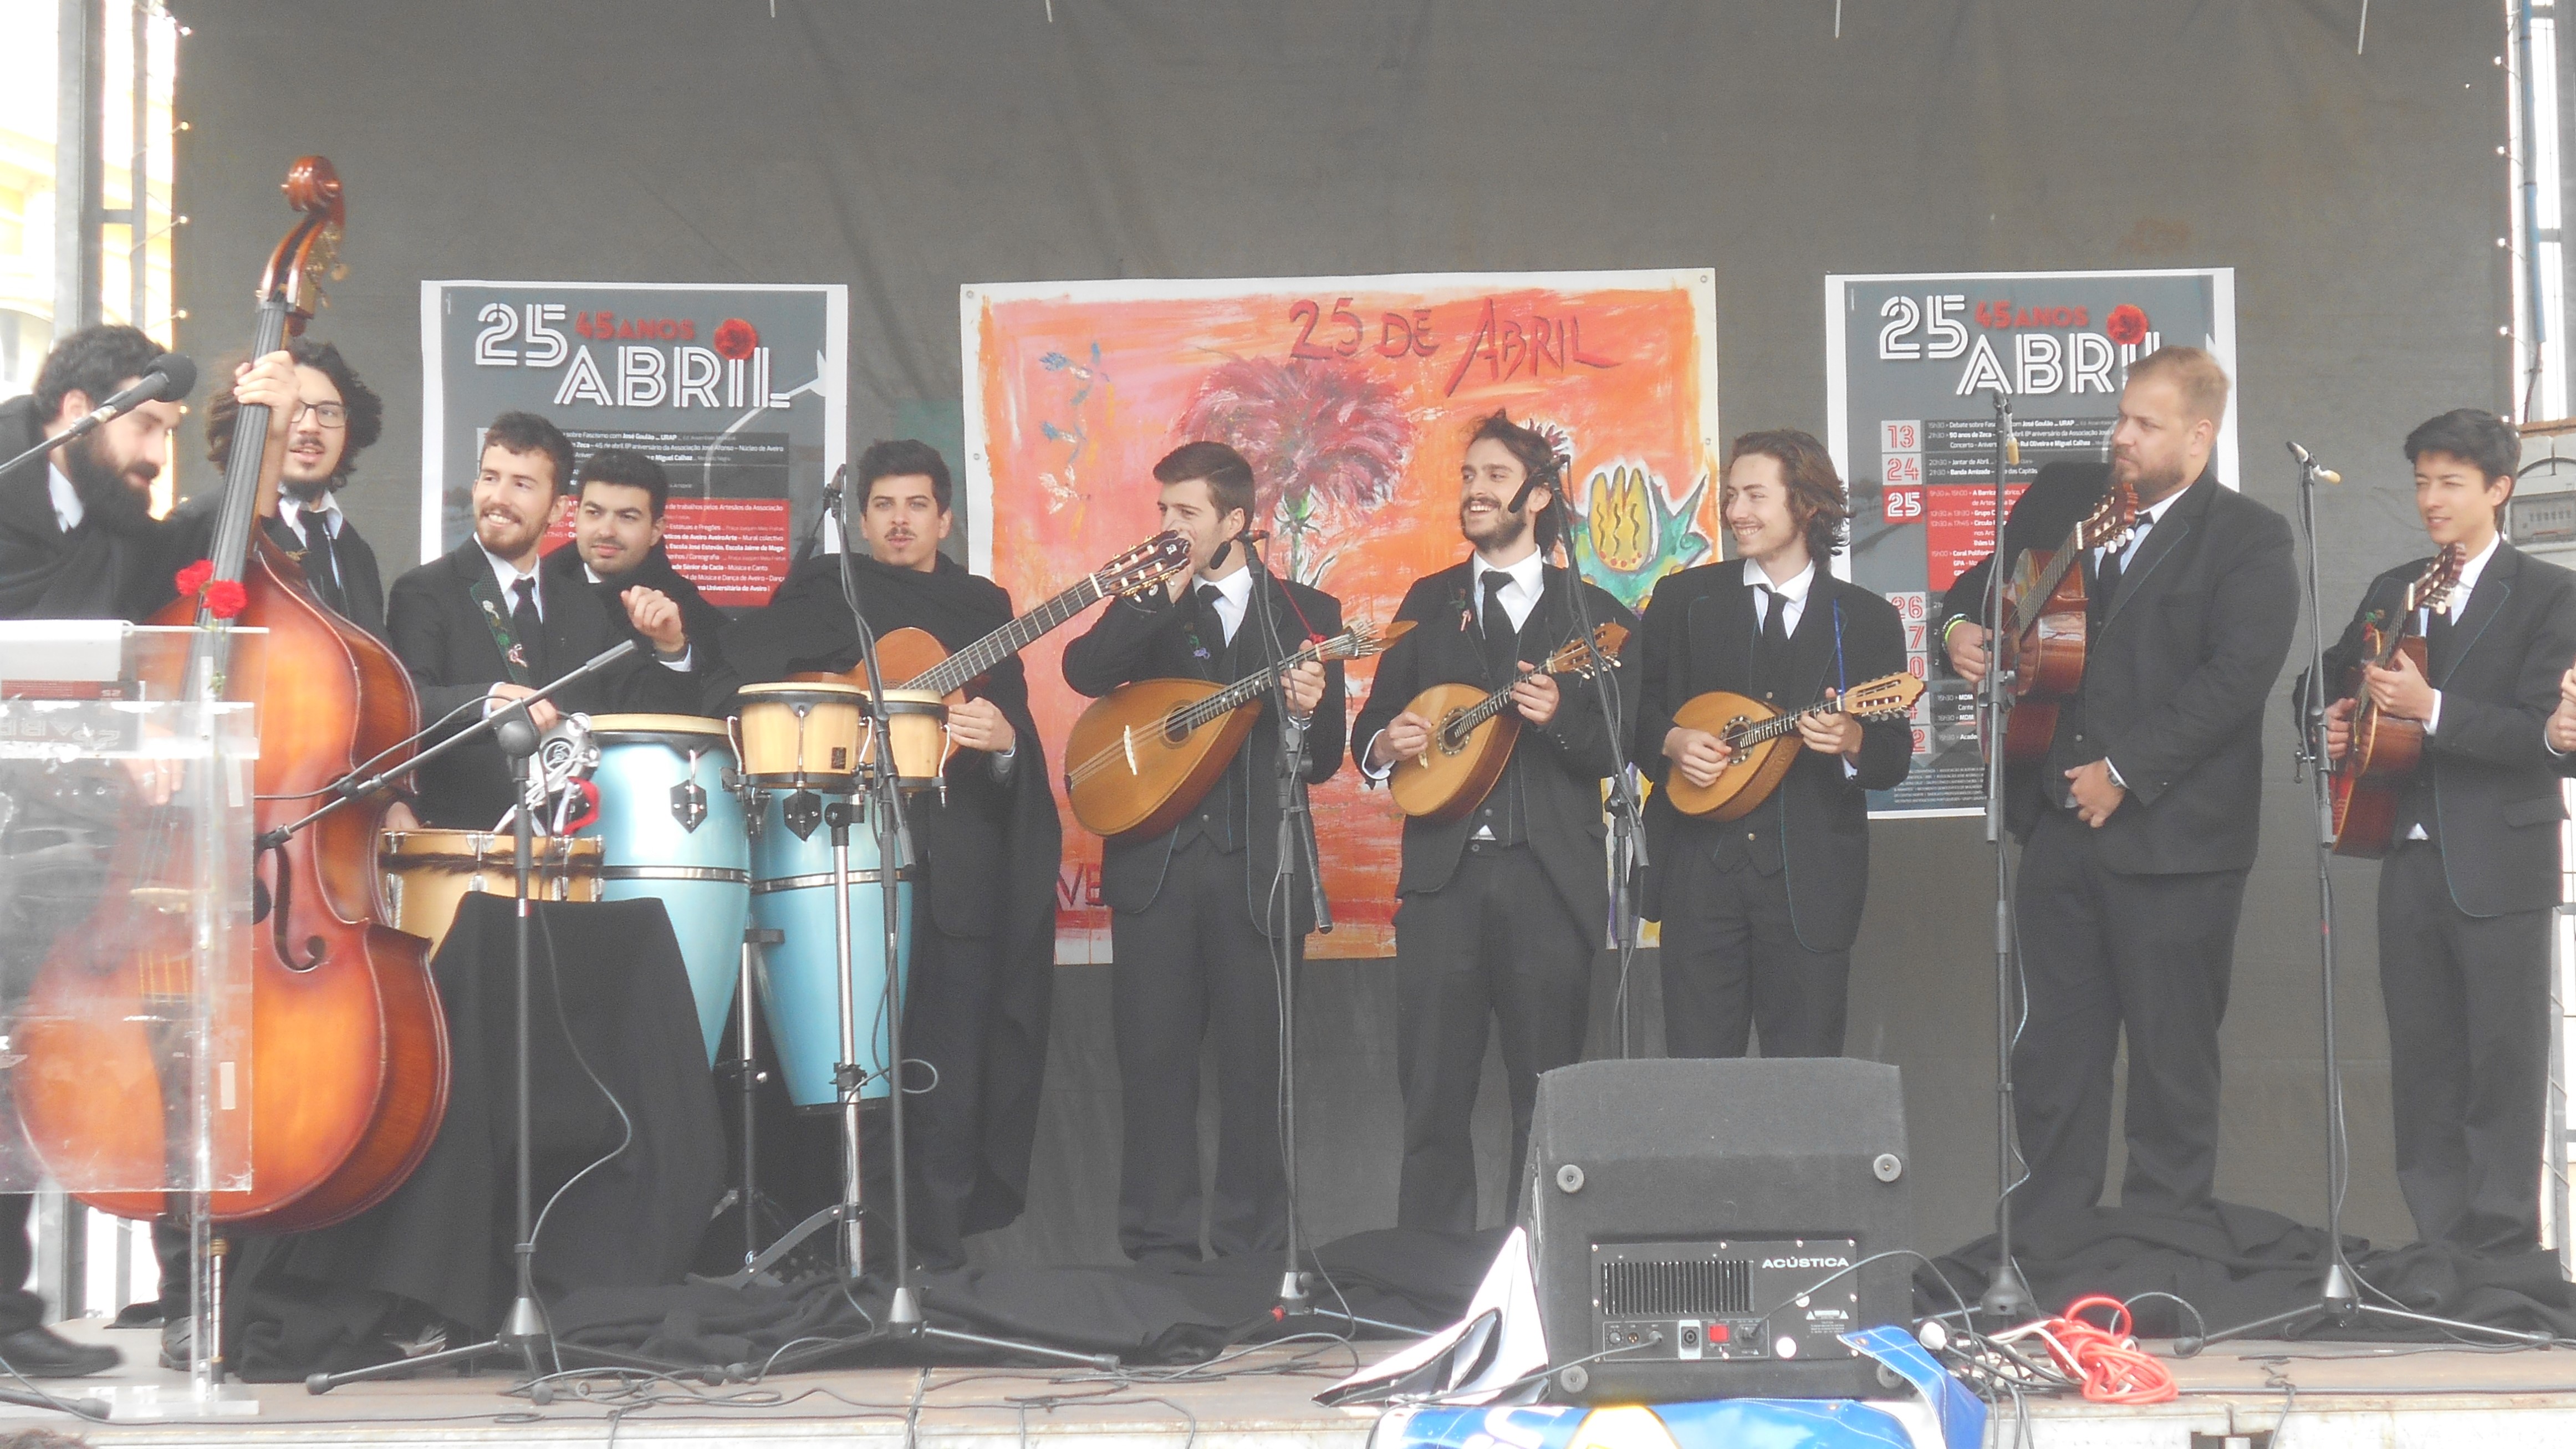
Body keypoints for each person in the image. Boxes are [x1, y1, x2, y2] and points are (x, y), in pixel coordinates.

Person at [1941, 346, 2296, 1236]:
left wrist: (2124, 772)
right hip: (2055, 827)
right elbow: (1975, 586)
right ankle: (2048, 1235)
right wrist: (1957, 630)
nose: (2121, 436)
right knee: (2053, 1052)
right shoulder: (2068, 494)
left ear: (2198, 436)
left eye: (2144, 423)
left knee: (2171, 1059)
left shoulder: (2246, 537)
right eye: (2120, 417)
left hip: (2177, 843)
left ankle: (2163, 1238)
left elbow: (2235, 677)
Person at [0, 324, 299, 1375]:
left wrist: (263, 432)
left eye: (173, 431)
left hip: (63, 847)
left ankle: (11, 1317)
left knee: (26, 1063)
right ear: (78, 413)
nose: (157, 453)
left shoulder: (115, 525)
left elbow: (202, 544)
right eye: (148, 428)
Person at [717, 439, 1061, 1267]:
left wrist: (1003, 743)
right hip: (835, 867)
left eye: (916, 505)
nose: (900, 520)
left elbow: (1015, 736)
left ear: (945, 518)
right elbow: (743, 685)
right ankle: (843, 1249)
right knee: (845, 1063)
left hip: (952, 874)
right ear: (861, 520)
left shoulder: (981, 606)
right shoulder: (819, 592)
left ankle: (934, 1258)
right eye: (883, 506)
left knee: (948, 1067)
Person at [1350, 411, 1638, 1231]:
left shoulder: (1595, 615)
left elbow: (1615, 747)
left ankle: (1535, 1267)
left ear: (1538, 496)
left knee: (1544, 1098)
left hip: (1550, 881)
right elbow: (1371, 727)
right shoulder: (1428, 601)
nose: (1475, 490)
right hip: (1443, 882)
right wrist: (1386, 743)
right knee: (1432, 1092)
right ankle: (1427, 1268)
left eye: (1495, 477)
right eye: (1469, 476)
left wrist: (1560, 717)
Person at [1060, 441, 1345, 1266]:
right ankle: (1159, 1251)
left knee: (1257, 1073)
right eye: (1163, 511)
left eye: (1186, 513)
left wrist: (1306, 708)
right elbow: (1085, 671)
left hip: (1260, 870)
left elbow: (1324, 756)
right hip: (1155, 872)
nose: (1169, 525)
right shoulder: (1150, 600)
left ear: (1235, 520)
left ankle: (1254, 1254)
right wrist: (1156, 599)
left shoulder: (1306, 614)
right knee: (1154, 1068)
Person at [2321, 409, 2576, 1253]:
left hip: (2500, 859)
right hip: (2403, 849)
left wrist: (2428, 707)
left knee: (2502, 1059)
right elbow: (2325, 677)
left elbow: (2542, 736)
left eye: (2450, 483)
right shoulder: (2393, 588)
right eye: (2420, 482)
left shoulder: (2548, 593)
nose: (2430, 499)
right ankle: (2437, 1243)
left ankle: (2501, 1248)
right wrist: (2327, 718)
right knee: (2421, 1059)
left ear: (2497, 490)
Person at [1631, 429, 1911, 1060]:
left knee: (1806, 1081)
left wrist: (1852, 738)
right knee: (1699, 1077)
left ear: (1807, 505)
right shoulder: (1684, 600)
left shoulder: (1865, 619)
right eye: (1731, 496)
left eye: (1755, 496)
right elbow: (1633, 711)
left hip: (1810, 881)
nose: (1736, 512)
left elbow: (1891, 754)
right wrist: (1672, 741)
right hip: (1698, 874)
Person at [384, 412, 701, 829]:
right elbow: (402, 708)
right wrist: (488, 700)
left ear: (557, 509)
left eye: (522, 485)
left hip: (570, 845)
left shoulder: (583, 604)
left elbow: (651, 721)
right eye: (490, 478)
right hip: (462, 842)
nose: (499, 498)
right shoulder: (425, 590)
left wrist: (671, 647)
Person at [204, 336, 390, 636]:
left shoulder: (357, 552)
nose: (310, 427)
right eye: (292, 409)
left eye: (328, 412)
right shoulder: (214, 527)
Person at [542, 448, 730, 686]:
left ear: (656, 530)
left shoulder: (692, 616)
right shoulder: (534, 591)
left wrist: (675, 651)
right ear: (576, 516)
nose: (606, 531)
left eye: (627, 517)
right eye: (594, 513)